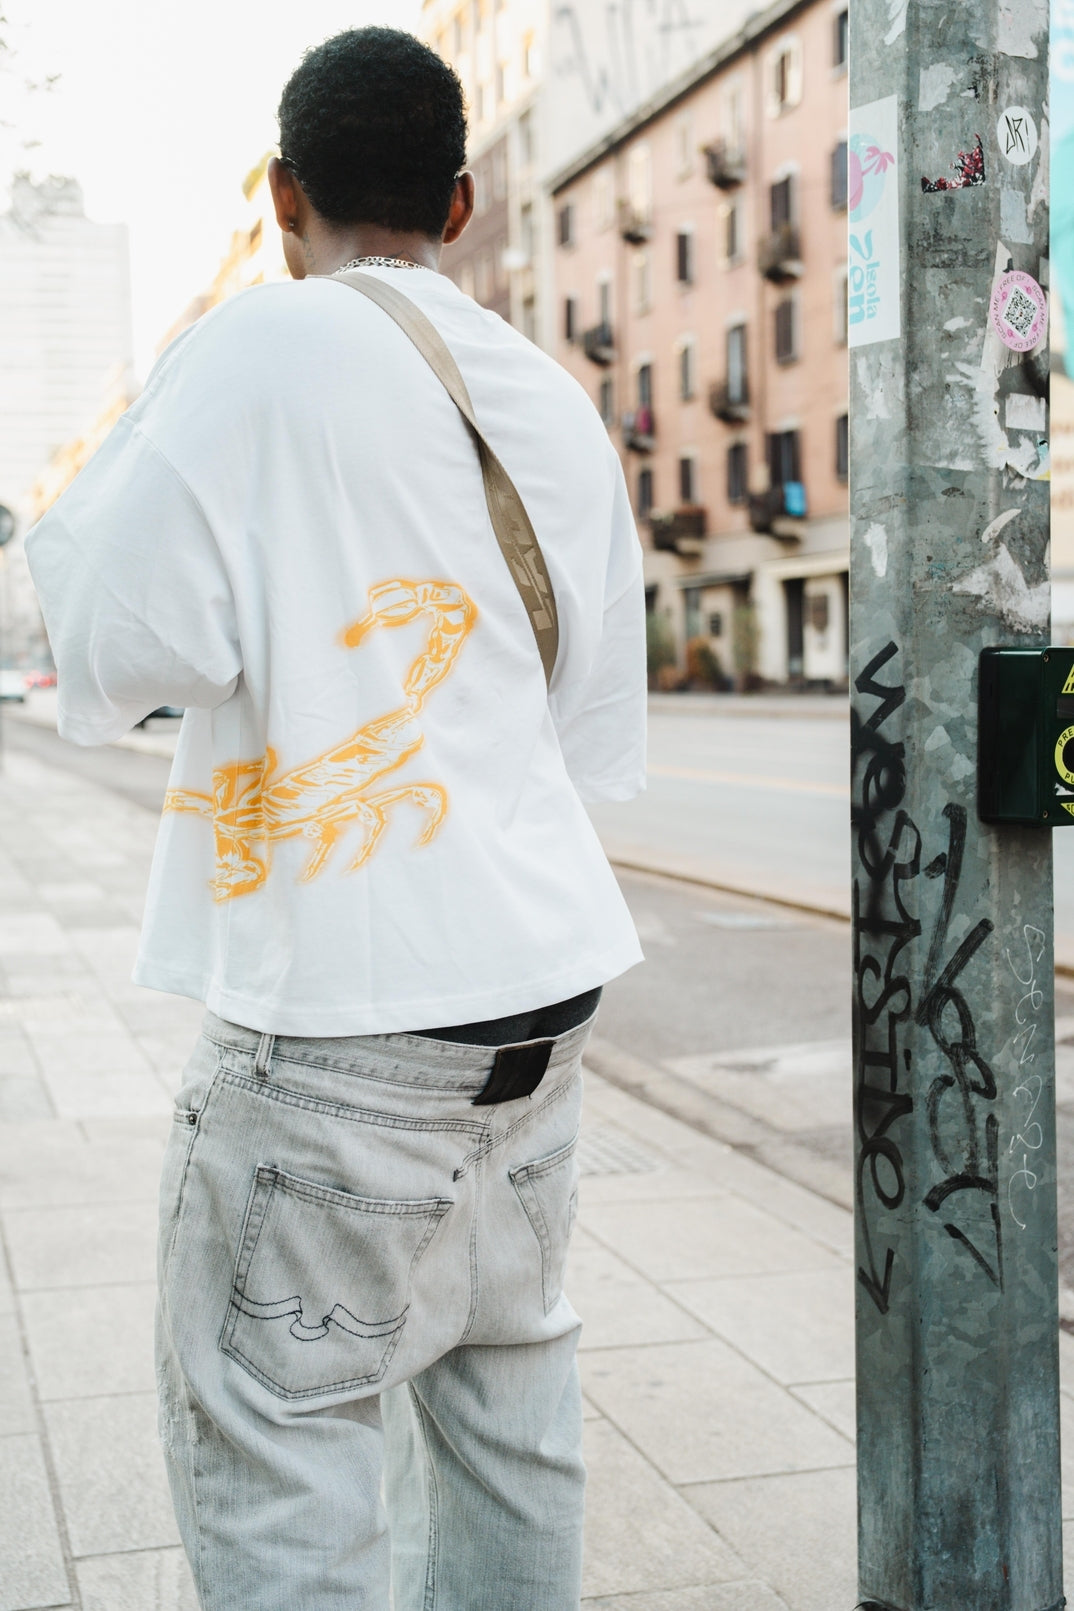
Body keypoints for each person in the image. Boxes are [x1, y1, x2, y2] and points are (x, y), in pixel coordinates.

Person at [25, 26, 645, 1611]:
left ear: (281, 192)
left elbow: (112, 649)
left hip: (345, 1022)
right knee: (509, 1420)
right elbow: (579, 725)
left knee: (282, 1448)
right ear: (459, 201)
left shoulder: (261, 344)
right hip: (540, 1007)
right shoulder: (552, 398)